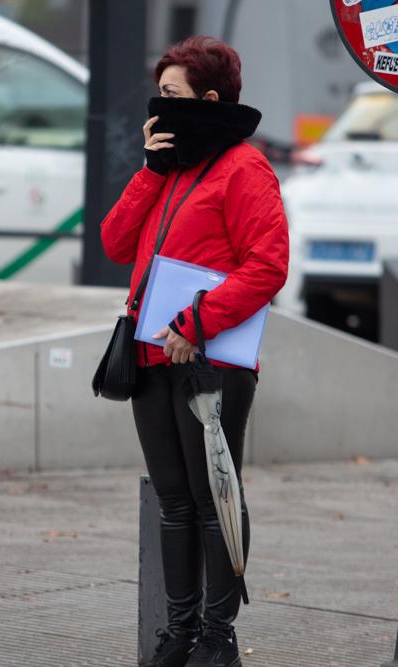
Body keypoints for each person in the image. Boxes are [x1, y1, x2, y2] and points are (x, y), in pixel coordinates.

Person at [101, 37, 288, 667]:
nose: (159, 106)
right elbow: (114, 242)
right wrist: (148, 172)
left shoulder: (245, 168)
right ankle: (179, 634)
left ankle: (217, 637)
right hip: (152, 356)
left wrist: (197, 321)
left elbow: (267, 266)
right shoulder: (170, 165)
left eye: (172, 95)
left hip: (210, 359)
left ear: (207, 100)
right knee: (174, 499)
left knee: (215, 498)